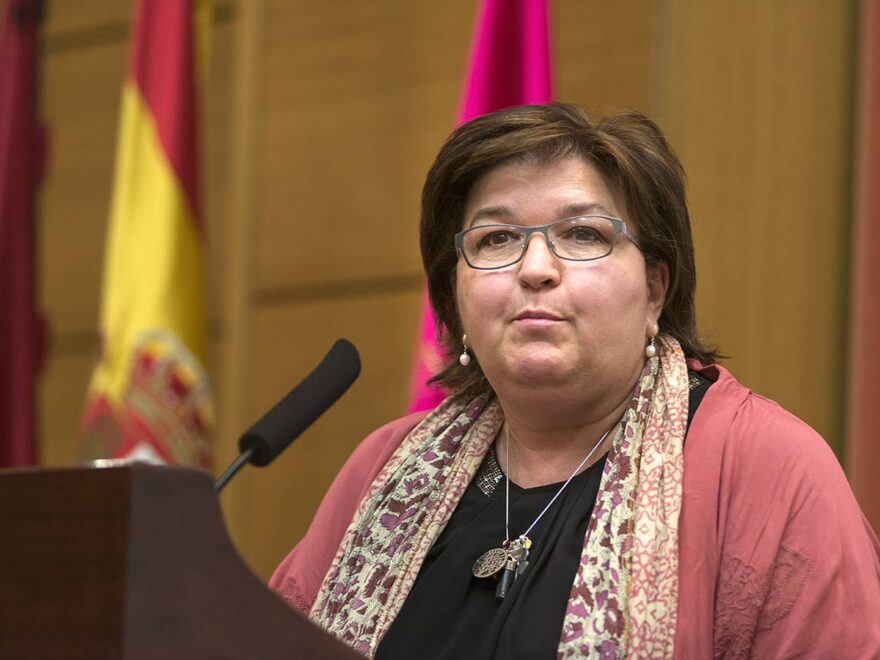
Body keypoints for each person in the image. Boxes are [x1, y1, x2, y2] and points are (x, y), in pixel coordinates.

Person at [269, 103, 880, 658]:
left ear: (655, 291)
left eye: (583, 234)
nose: (536, 268)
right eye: (497, 238)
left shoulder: (766, 468)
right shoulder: (387, 469)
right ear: (452, 301)